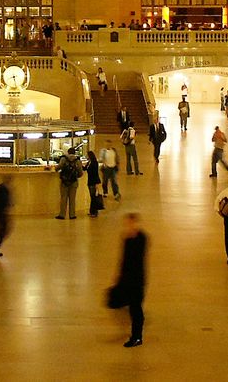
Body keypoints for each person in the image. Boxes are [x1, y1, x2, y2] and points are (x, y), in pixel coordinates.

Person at [108, 213, 148, 348]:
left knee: (136, 308)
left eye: (131, 223)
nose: (129, 226)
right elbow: (123, 260)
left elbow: (136, 258)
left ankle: (137, 336)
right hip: (127, 279)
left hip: (136, 280)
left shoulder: (141, 238)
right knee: (133, 307)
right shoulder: (127, 238)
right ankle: (136, 334)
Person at [56, 147, 83, 219]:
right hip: (74, 182)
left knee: (63, 198)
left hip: (64, 182)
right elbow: (81, 173)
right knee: (72, 199)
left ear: (68, 152)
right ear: (75, 152)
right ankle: (72, 215)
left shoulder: (64, 159)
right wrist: (76, 176)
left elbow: (58, 168)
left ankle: (62, 215)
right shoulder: (77, 160)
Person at [84, 149, 103, 217]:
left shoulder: (94, 162)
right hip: (90, 181)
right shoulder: (89, 162)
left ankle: (94, 212)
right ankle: (92, 211)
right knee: (92, 197)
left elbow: (94, 173)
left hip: (93, 181)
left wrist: (96, 184)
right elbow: (85, 169)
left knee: (93, 197)